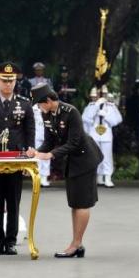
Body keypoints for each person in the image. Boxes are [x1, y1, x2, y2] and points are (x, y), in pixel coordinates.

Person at [32, 83, 103, 258]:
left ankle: (76, 244)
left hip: (85, 160)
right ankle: (77, 243)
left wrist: (50, 155)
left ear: (48, 101)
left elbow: (74, 142)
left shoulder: (71, 112)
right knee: (74, 202)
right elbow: (49, 140)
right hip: (72, 161)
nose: (39, 108)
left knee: (83, 202)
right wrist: (37, 152)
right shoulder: (47, 113)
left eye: (40, 104)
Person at [0, 62, 36, 256]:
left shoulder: (24, 103)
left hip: (16, 158)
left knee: (13, 200)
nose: (8, 84)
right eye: (4, 80)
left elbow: (29, 131)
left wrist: (29, 155)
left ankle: (10, 241)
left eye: (11, 81)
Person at [82, 85, 123, 187]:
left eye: (103, 94)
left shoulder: (110, 106)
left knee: (107, 156)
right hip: (94, 135)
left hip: (106, 135)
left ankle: (107, 177)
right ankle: (98, 177)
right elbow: (85, 119)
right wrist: (96, 107)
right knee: (95, 156)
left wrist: (106, 115)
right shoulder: (90, 106)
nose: (100, 97)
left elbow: (117, 120)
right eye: (95, 96)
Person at [32, 102, 51, 187]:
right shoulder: (33, 109)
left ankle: (44, 178)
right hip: (36, 135)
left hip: (46, 135)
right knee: (37, 156)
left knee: (47, 157)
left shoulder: (48, 108)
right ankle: (37, 177)